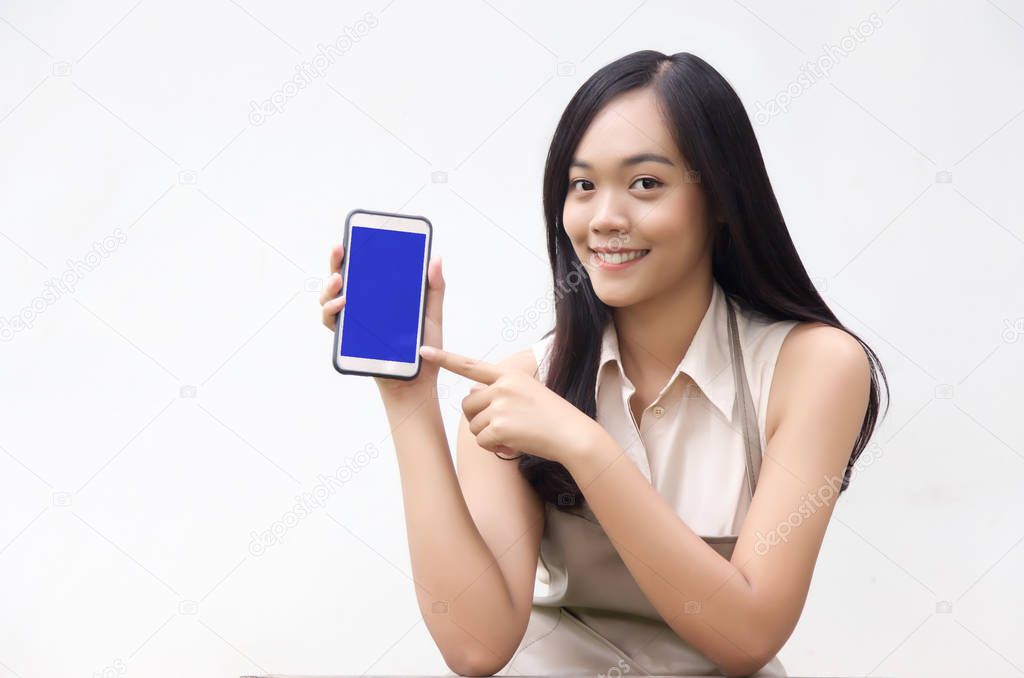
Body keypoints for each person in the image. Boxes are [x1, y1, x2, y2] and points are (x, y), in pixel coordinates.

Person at [319, 50, 889, 677]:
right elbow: (476, 647)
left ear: (722, 198)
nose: (606, 218)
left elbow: (750, 634)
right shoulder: (522, 389)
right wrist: (409, 398)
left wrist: (587, 450)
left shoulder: (816, 368)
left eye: (646, 183)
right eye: (582, 185)